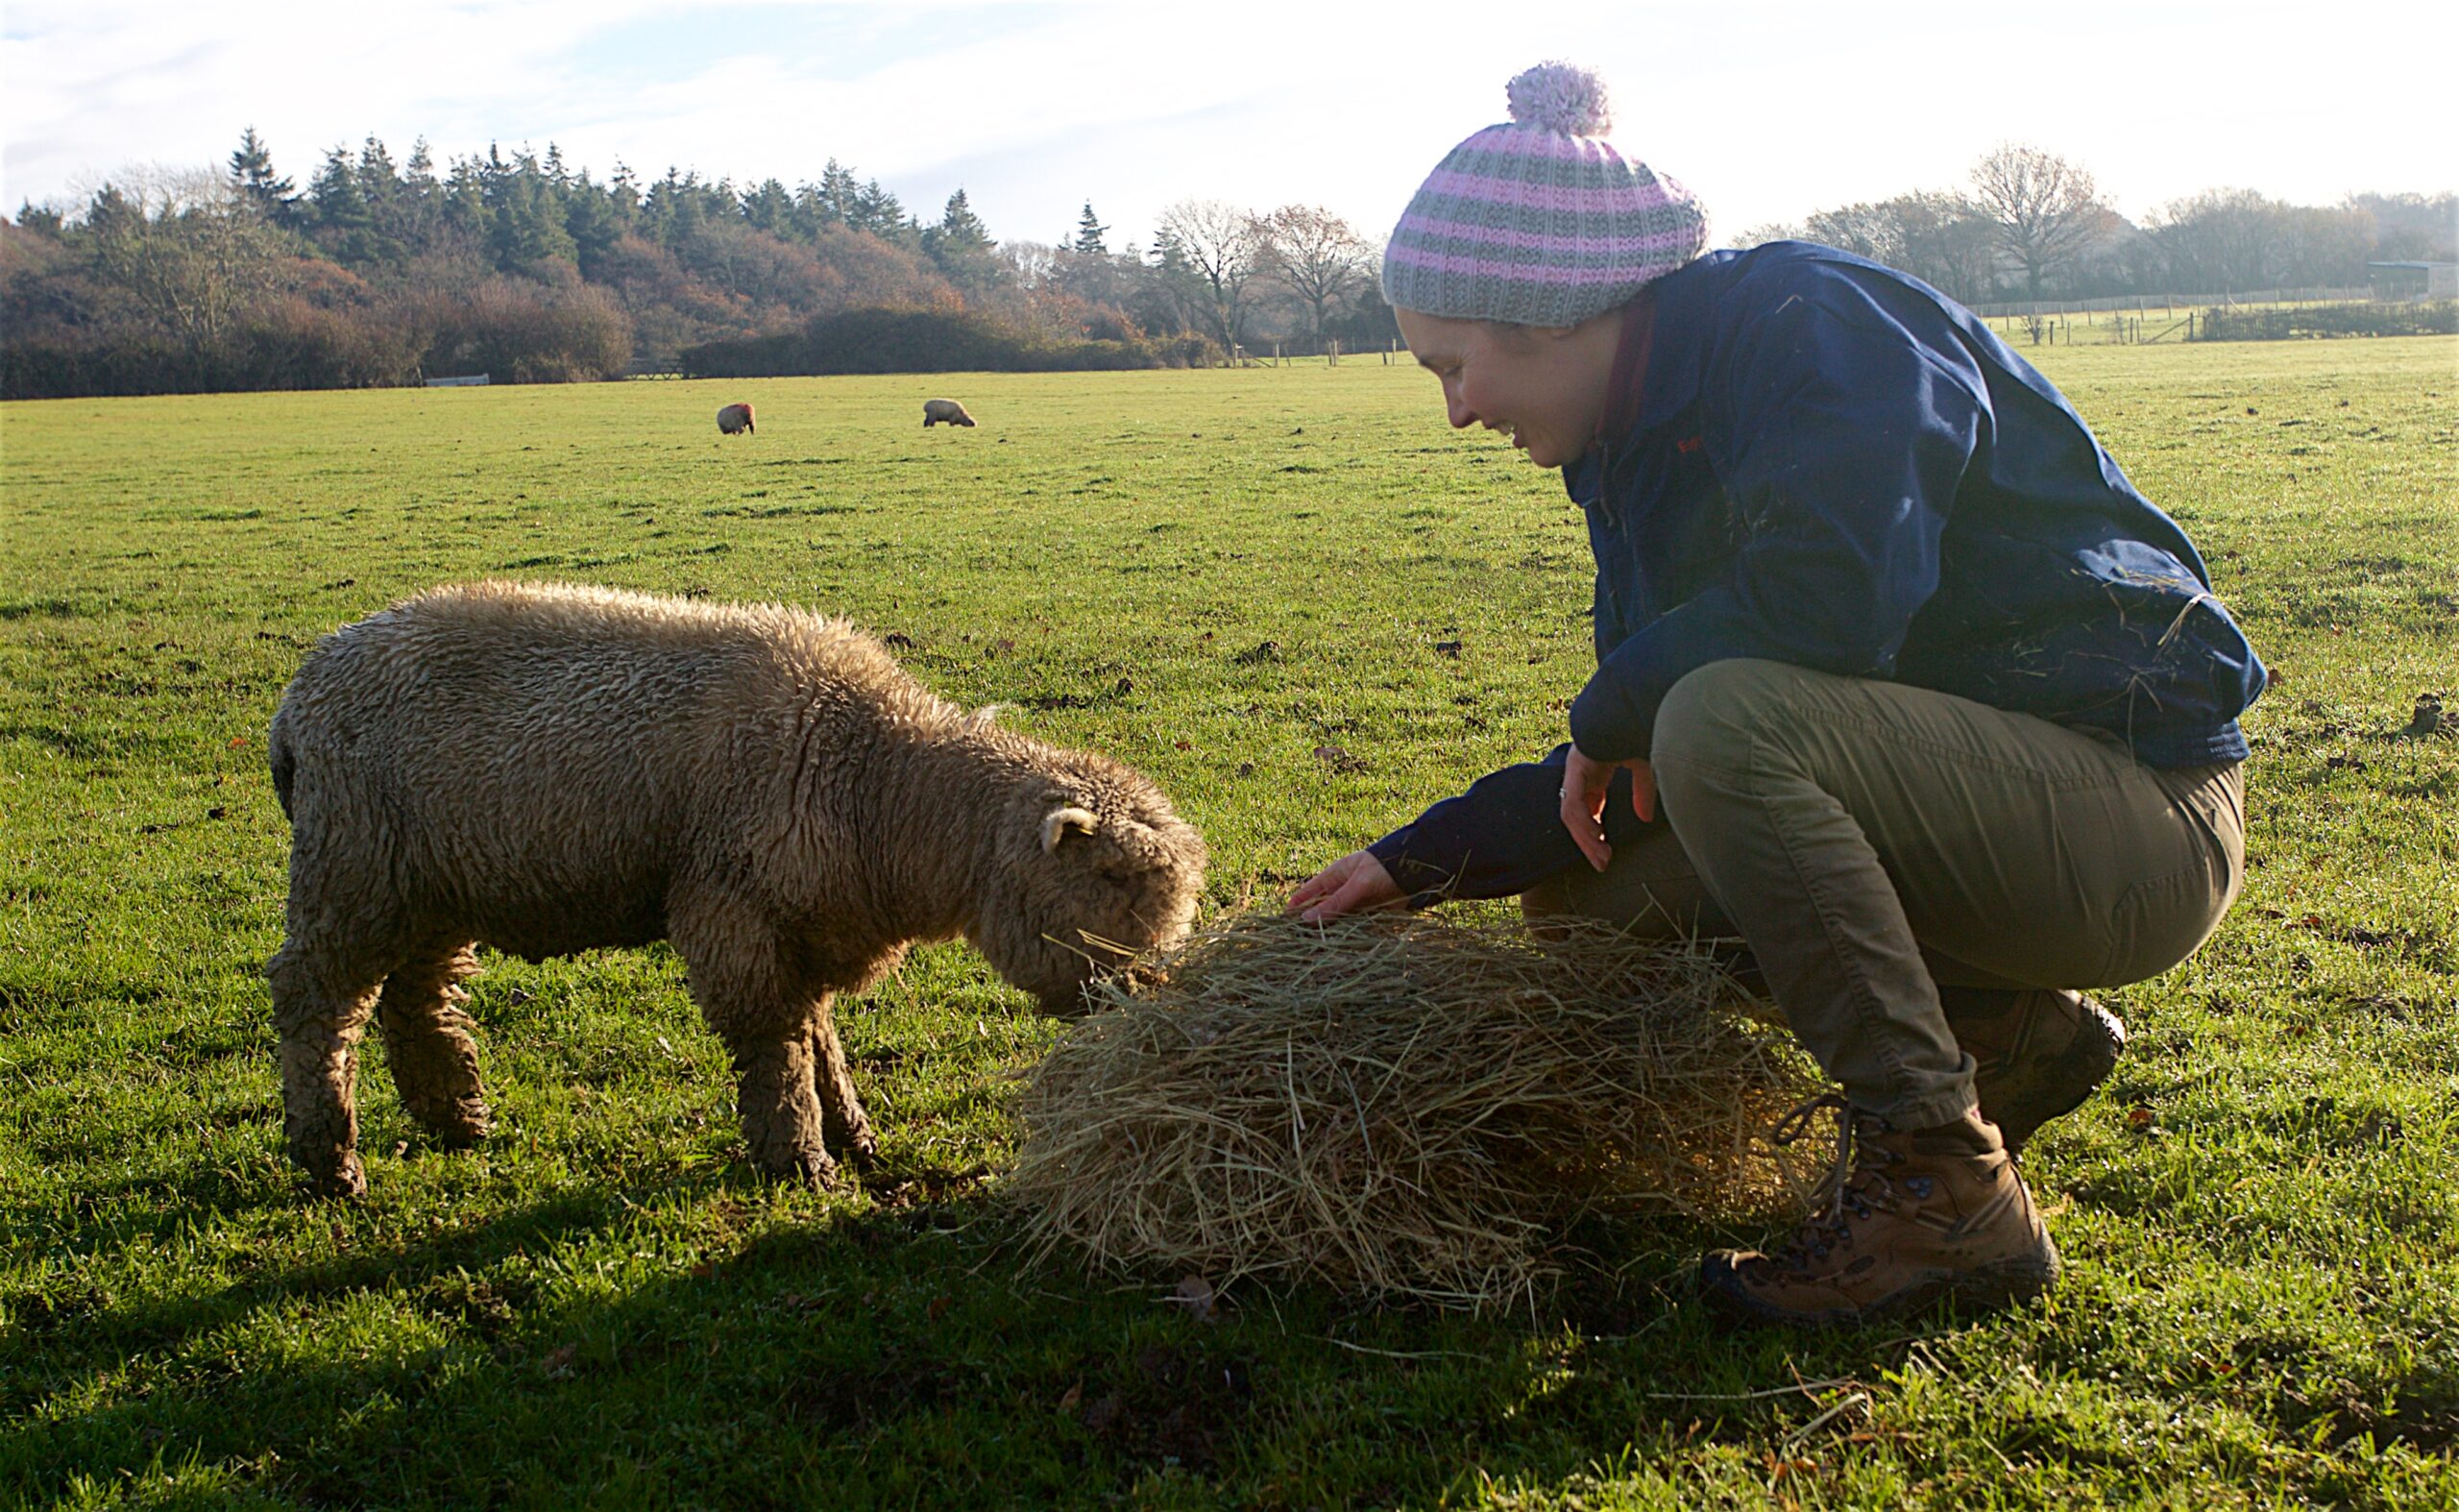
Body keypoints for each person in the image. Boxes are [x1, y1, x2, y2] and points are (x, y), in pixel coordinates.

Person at [1285, 62, 2263, 1329]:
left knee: (1716, 721)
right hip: (2003, 814)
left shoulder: (1815, 330)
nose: (1459, 411)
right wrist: (1418, 857)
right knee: (1593, 899)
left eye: (1451, 367)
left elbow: (1830, 606)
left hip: (2139, 817)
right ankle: (2006, 1032)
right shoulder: (1635, 448)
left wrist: (1616, 706)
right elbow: (1637, 770)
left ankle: (1941, 1189)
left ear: (1545, 313)